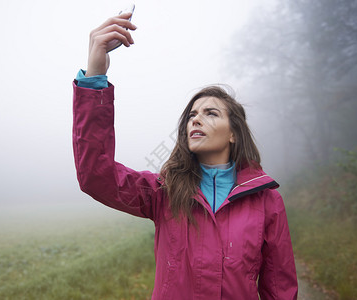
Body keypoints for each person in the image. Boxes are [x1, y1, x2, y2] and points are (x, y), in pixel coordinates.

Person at [72, 12, 298, 300]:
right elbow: (96, 175)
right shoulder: (164, 192)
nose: (196, 120)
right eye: (192, 115)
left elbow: (279, 287)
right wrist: (95, 77)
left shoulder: (267, 202)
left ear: (234, 134)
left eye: (210, 113)